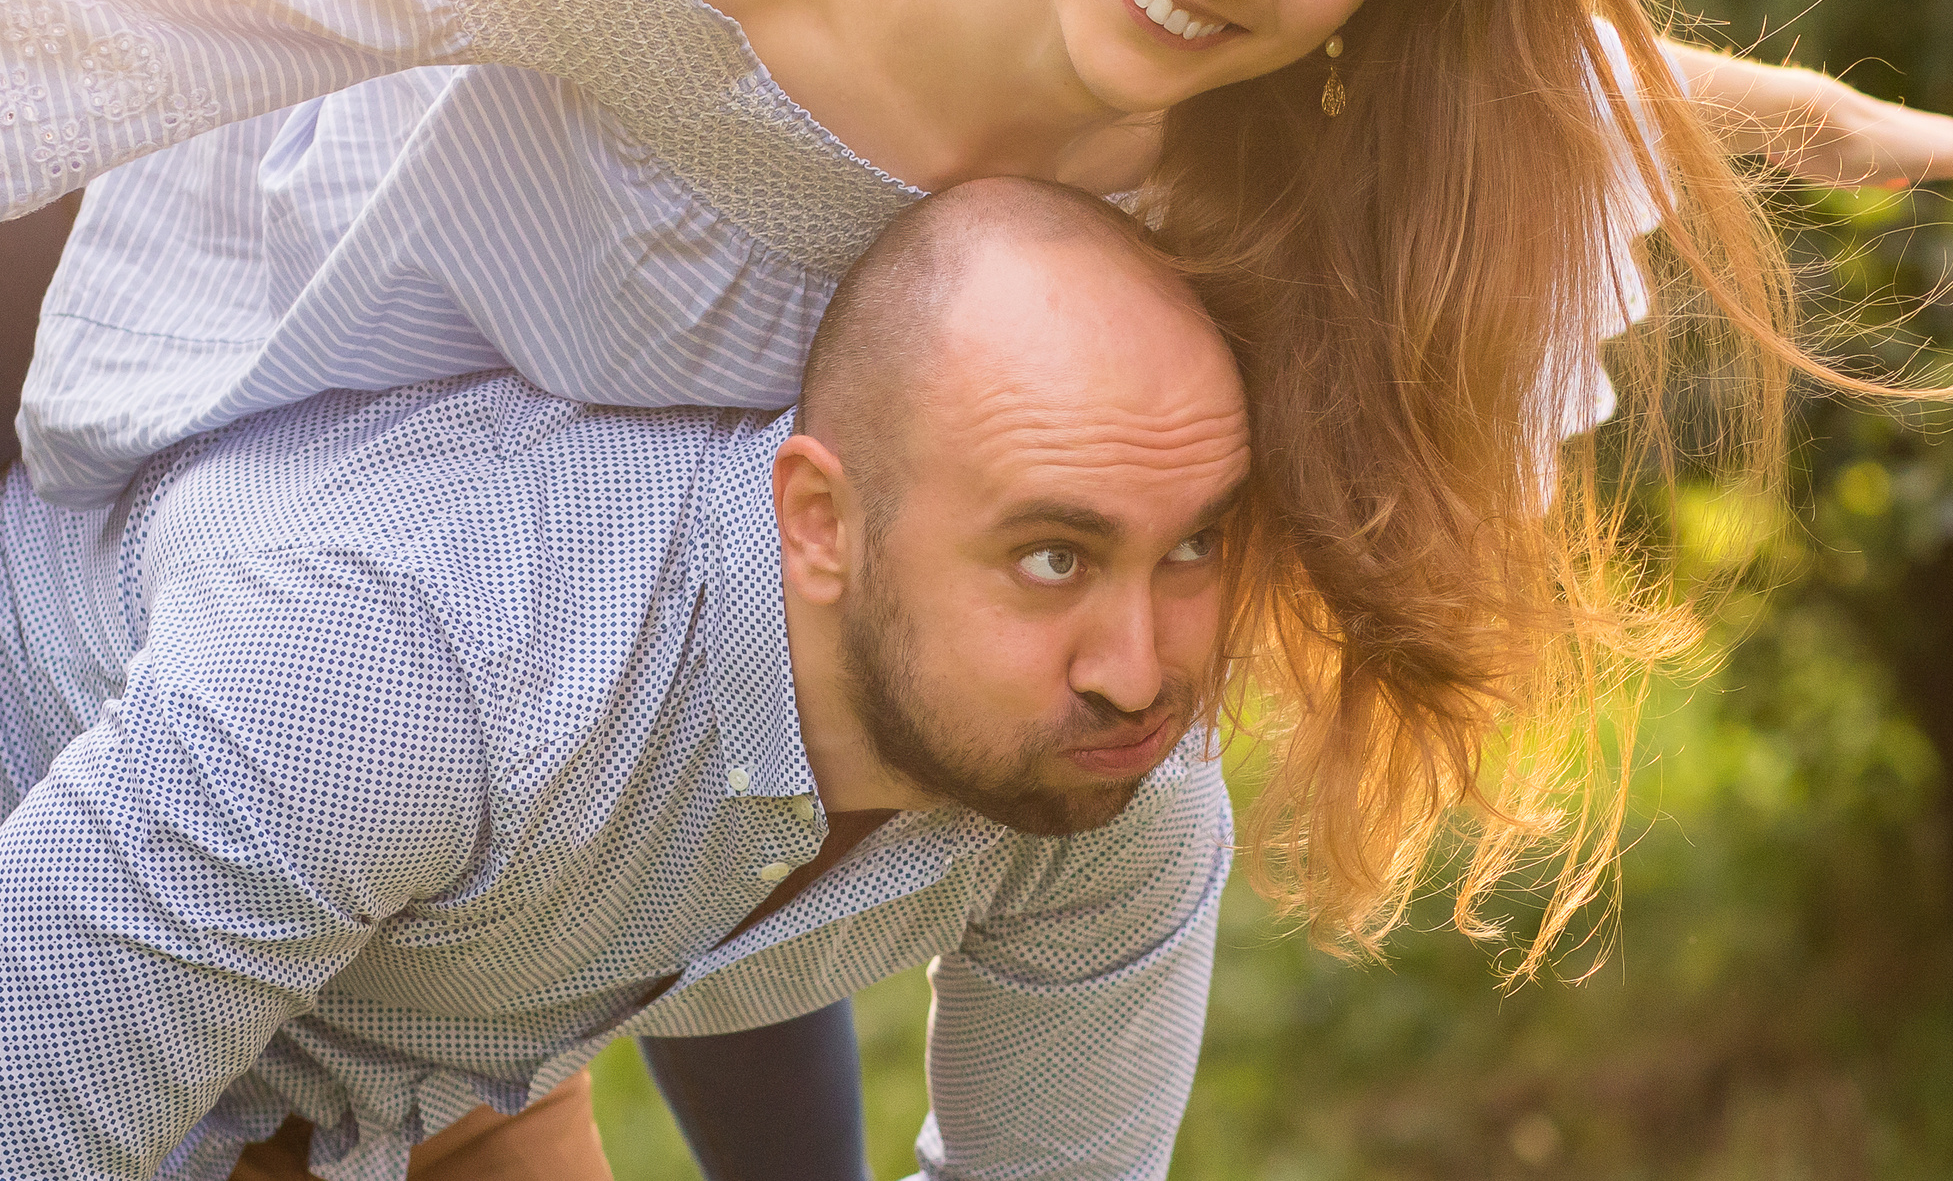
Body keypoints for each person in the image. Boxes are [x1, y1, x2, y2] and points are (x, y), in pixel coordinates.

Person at [0, 0, 1953, 1171]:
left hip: (616, 587)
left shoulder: (1218, 127)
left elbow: (1505, 69)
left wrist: (1802, 121)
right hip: (147, 293)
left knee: (722, 828)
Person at [0, 178, 1242, 1180]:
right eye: (1049, 557)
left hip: (411, 1055)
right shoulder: (403, 666)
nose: (1138, 673)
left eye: (1190, 543)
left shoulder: (1112, 782)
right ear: (817, 521)